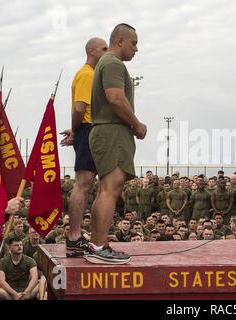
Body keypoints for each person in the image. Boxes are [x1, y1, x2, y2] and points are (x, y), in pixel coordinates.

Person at [87, 23, 147, 263]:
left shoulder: (106, 63)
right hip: (112, 131)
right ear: (120, 40)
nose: (136, 49)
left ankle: (96, 244)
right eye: (133, 43)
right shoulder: (113, 63)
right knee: (110, 189)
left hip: (108, 131)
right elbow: (115, 98)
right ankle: (100, 247)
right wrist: (137, 123)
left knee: (106, 189)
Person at [59, 37, 108, 254]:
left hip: (90, 129)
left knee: (88, 184)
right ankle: (74, 236)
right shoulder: (87, 74)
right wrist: (77, 130)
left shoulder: (91, 75)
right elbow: (79, 109)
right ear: (92, 51)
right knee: (83, 183)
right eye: (104, 49)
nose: (107, 52)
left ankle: (78, 236)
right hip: (88, 129)